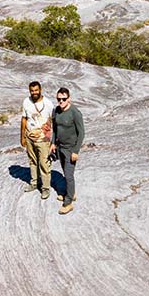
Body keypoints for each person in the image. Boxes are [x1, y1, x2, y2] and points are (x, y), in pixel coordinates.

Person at [50, 86, 85, 214]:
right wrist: (53, 143)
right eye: (59, 99)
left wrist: (76, 151)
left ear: (69, 99)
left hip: (71, 149)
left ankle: (68, 202)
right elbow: (55, 128)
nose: (61, 102)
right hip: (60, 147)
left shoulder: (75, 113)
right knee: (65, 172)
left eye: (63, 99)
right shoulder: (56, 111)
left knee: (69, 175)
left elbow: (81, 133)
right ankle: (71, 192)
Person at [20, 80, 54, 198]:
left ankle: (45, 188)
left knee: (44, 163)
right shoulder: (26, 101)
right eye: (32, 91)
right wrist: (22, 136)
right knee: (32, 161)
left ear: (40, 90)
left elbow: (54, 121)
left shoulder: (48, 103)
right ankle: (34, 183)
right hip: (30, 138)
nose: (34, 92)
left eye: (36, 90)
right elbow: (24, 119)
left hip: (43, 139)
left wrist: (53, 141)